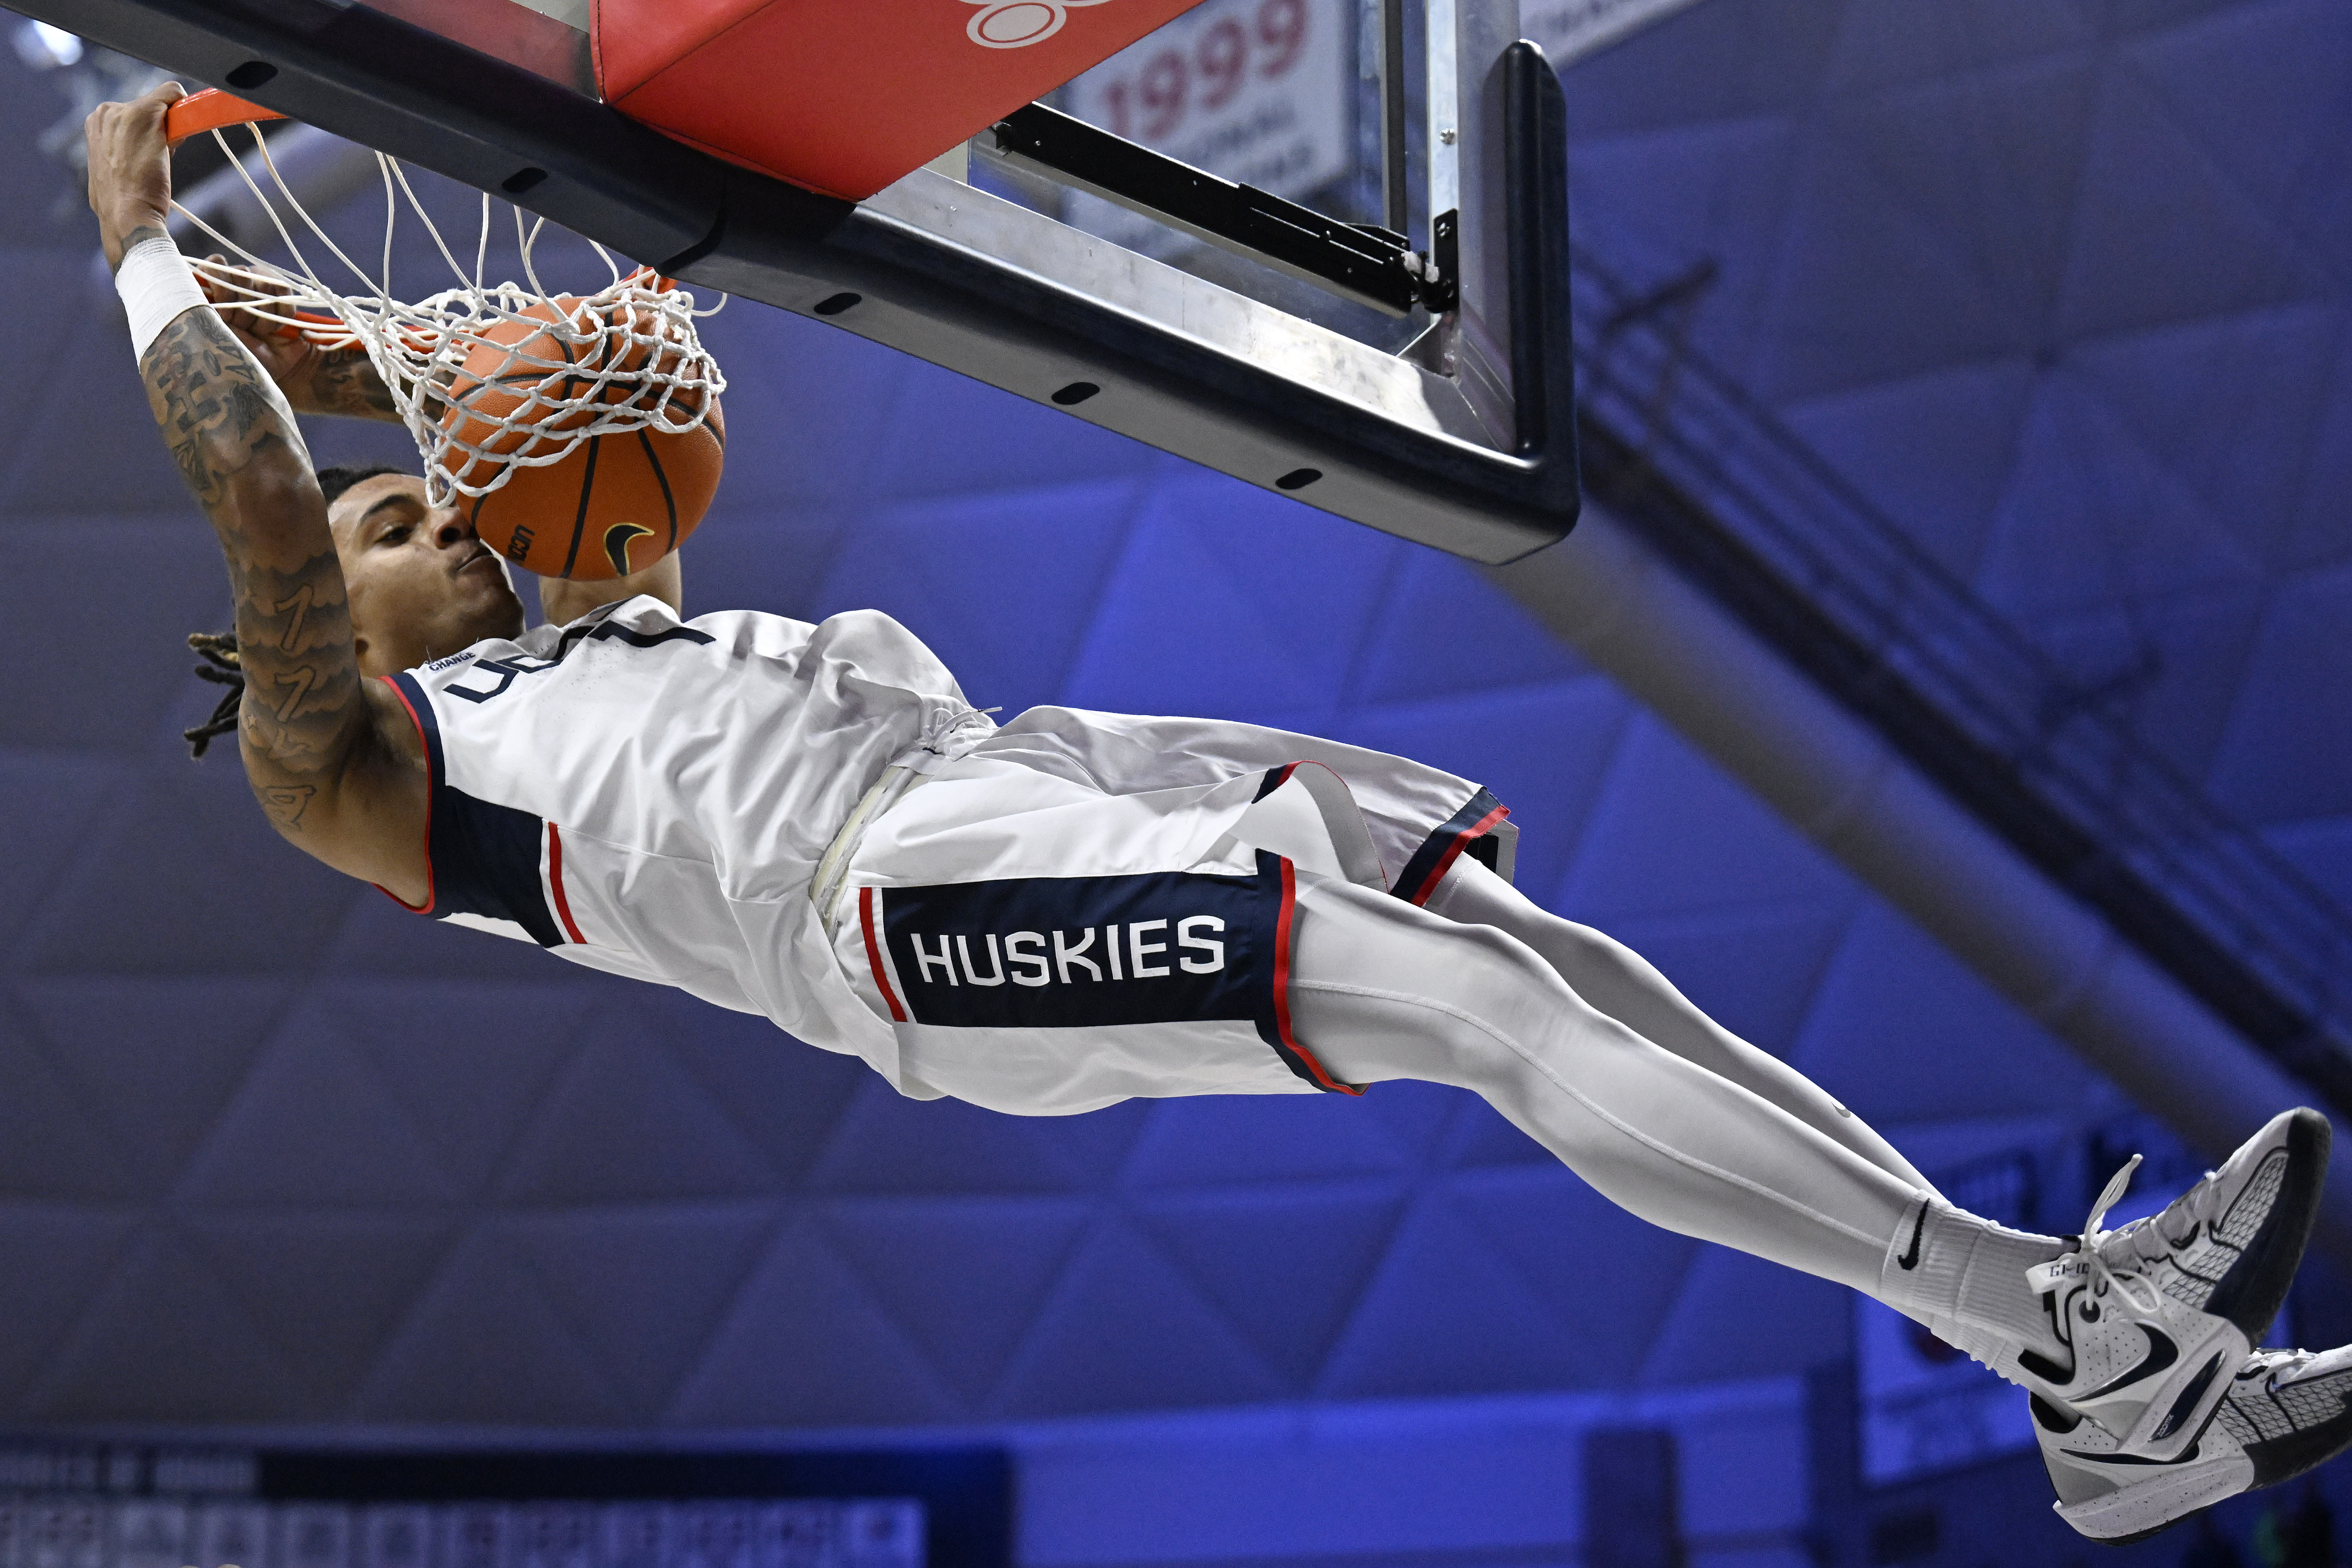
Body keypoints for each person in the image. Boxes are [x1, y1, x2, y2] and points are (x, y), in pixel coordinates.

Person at [87, 81, 2352, 1542]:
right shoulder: (368, 770)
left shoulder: (620, 626)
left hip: (1021, 784)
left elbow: (534, 417)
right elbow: (275, 545)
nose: (436, 523)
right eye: (398, 526)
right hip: (898, 916)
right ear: (340, 621)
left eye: (437, 503)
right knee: (1461, 1007)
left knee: (1520, 950)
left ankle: (2080, 1352)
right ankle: (2067, 1344)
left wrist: (362, 312)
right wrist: (148, 253)